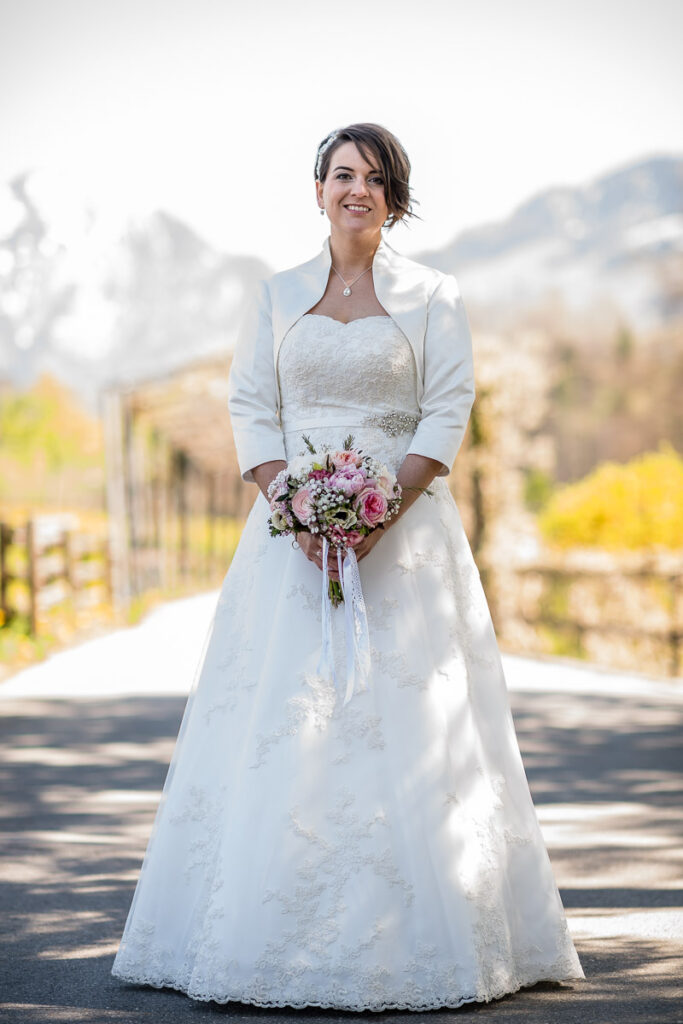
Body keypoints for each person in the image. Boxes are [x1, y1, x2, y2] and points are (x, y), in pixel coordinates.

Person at [111, 122, 584, 1011]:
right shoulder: (276, 293)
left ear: (394, 198)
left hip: (404, 538)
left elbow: (447, 409)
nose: (354, 189)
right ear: (317, 191)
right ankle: (258, 929)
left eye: (373, 177)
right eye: (340, 175)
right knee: (281, 721)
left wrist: (379, 513)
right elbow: (252, 404)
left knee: (407, 720)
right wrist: (289, 507)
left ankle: (426, 933)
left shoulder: (433, 294)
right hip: (286, 542)